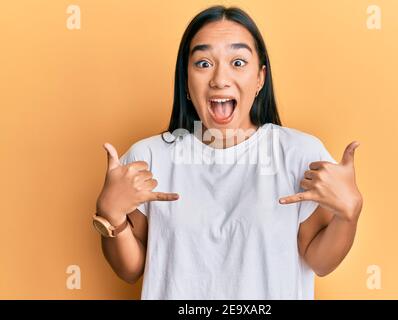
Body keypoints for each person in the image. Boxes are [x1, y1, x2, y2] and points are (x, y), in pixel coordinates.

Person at [93, 5, 363, 300]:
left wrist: (348, 215)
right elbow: (130, 269)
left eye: (237, 62)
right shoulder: (150, 157)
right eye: (203, 63)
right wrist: (111, 214)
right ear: (185, 80)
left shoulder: (299, 153)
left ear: (260, 78)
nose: (220, 78)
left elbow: (319, 262)